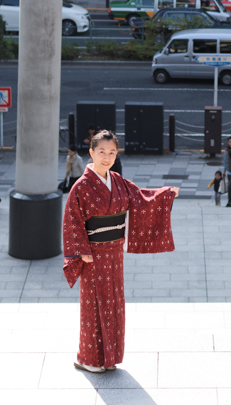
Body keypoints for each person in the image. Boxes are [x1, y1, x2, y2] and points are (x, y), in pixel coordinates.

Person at [62, 130, 178, 373]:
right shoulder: (81, 186)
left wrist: (165, 194)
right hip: (92, 254)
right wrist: (81, 249)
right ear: (91, 153)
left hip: (114, 252)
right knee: (94, 305)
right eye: (101, 152)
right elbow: (72, 219)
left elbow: (141, 199)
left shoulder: (116, 180)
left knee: (114, 304)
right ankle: (89, 358)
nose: (107, 157)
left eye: (112, 152)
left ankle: (109, 357)